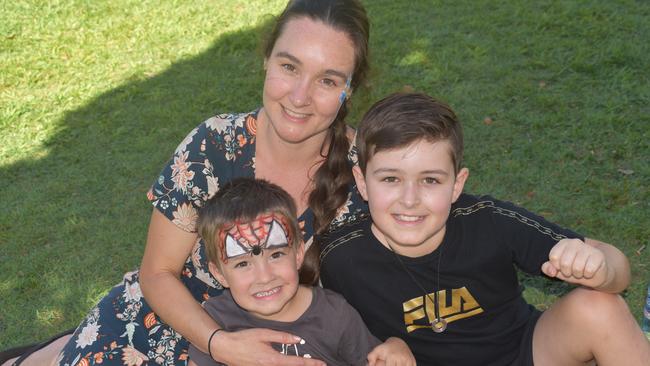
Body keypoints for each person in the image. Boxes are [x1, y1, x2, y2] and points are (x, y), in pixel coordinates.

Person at [2, 1, 372, 365]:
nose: (299, 96)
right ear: (266, 60)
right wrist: (220, 345)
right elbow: (157, 272)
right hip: (165, 324)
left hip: (281, 347)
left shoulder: (372, 172)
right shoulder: (213, 145)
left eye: (327, 80)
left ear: (349, 89)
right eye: (289, 66)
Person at [319, 92, 650, 365]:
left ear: (456, 184)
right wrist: (388, 345)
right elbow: (318, 327)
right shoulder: (340, 257)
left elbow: (618, 268)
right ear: (361, 182)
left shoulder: (487, 220)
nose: (410, 199)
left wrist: (602, 269)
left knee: (599, 306)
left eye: (430, 180)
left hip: (525, 353)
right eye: (390, 179)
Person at [187, 177, 414, 366]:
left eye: (276, 255)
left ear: (298, 254)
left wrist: (395, 345)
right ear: (218, 274)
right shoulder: (215, 322)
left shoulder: (334, 315)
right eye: (242, 264)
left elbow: (378, 359)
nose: (265, 277)